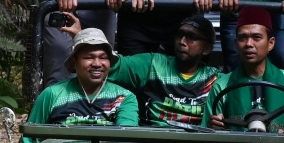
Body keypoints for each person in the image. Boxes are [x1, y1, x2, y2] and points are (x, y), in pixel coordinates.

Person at [65, 13, 219, 126]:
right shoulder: (153, 64)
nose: (182, 42)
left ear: (207, 48)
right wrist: (81, 37)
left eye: (191, 37)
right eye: (180, 35)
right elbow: (107, 65)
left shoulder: (215, 79)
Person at [17, 29, 138, 143]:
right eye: (89, 57)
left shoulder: (124, 97)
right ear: (75, 62)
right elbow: (29, 142)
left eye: (103, 57)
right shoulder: (52, 94)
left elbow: (126, 140)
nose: (97, 64)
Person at [202, 7, 284, 135]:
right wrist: (213, 128)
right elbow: (206, 134)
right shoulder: (222, 86)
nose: (249, 44)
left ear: (271, 43)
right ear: (236, 44)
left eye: (256, 37)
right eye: (242, 38)